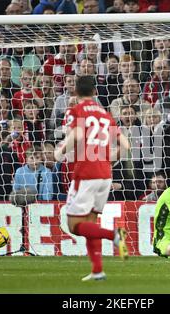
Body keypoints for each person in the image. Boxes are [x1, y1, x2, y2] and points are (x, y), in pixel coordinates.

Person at [54, 75, 130, 281]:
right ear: (95, 92)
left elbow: (77, 135)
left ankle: (114, 234)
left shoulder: (75, 110)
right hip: (105, 174)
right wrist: (109, 160)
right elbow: (125, 146)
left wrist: (60, 151)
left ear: (76, 92)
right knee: (90, 222)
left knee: (74, 225)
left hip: (86, 174)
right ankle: (98, 271)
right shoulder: (105, 114)